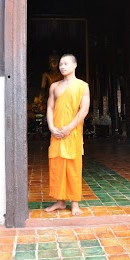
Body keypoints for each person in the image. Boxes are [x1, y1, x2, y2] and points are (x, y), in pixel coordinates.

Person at [45, 54, 90, 216]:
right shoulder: (54, 86)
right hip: (56, 132)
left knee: (73, 166)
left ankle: (75, 203)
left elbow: (83, 110)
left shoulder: (82, 86)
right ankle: (60, 201)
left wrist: (70, 127)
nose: (62, 66)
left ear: (75, 65)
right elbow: (50, 107)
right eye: (61, 64)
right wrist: (51, 126)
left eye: (66, 63)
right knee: (56, 166)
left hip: (72, 133)